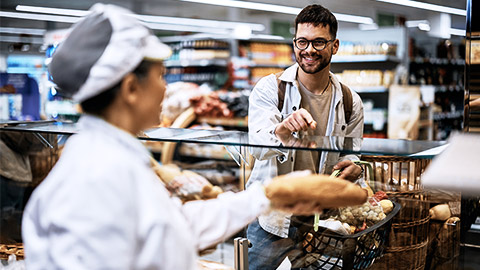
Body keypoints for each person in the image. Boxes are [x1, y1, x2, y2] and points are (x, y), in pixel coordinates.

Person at [20, 4, 352, 269]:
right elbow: (169, 236)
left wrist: (266, 196)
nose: (166, 88)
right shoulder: (103, 171)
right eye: (160, 76)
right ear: (131, 89)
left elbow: (169, 224)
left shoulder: (106, 155)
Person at [247, 4, 365, 269]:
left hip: (322, 221)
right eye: (302, 41)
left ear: (334, 46)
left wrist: (353, 166)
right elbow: (257, 148)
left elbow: (352, 151)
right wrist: (282, 130)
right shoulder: (270, 88)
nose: (309, 50)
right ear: (294, 44)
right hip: (271, 217)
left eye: (319, 42)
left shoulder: (350, 101)